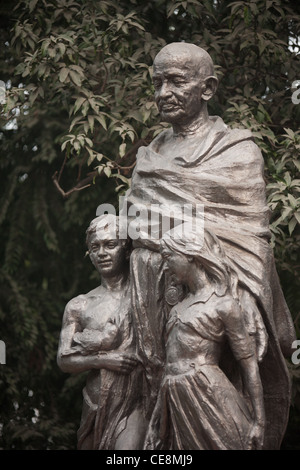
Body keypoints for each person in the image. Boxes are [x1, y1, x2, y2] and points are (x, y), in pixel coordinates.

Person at [121, 42, 296, 449]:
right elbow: (130, 222)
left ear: (208, 87)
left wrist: (243, 296)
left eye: (176, 81)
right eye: (157, 82)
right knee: (151, 416)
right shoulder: (150, 155)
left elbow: (252, 237)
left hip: (211, 304)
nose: (163, 93)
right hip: (149, 297)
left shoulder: (237, 153)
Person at [144, 225, 265, 450]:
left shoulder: (224, 305)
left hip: (209, 395)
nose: (165, 265)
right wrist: (155, 423)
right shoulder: (177, 308)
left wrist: (260, 422)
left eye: (169, 257)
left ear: (190, 255)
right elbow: (170, 368)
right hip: (177, 399)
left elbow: (249, 366)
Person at [57, 214, 147, 450]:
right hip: (95, 404)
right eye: (95, 247)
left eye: (110, 245)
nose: (102, 253)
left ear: (126, 249)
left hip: (137, 400)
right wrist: (105, 360)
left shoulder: (143, 295)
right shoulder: (80, 305)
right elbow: (64, 359)